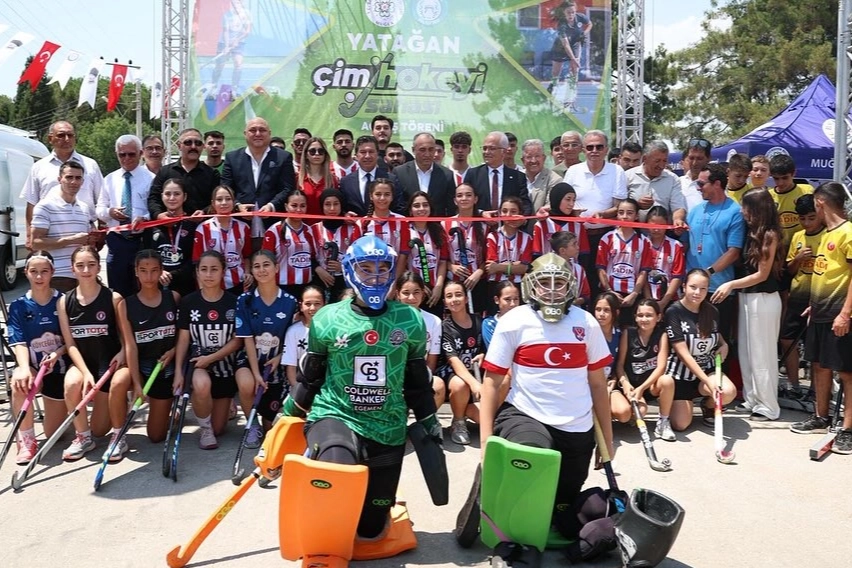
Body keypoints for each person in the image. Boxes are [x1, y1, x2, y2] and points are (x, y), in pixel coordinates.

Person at [279, 234, 439, 543]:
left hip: (388, 425)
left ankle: (377, 508)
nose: (375, 276)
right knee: (336, 471)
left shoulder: (410, 320)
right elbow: (310, 377)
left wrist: (429, 420)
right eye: (366, 268)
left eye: (382, 268)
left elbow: (417, 381)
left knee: (369, 531)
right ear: (350, 270)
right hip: (336, 414)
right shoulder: (327, 318)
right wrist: (287, 416)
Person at [479, 253, 614, 552]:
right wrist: (485, 442)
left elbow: (597, 384)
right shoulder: (514, 321)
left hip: (576, 426)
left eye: (559, 283)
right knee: (533, 456)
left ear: (571, 287)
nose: (552, 290)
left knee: (562, 509)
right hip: (525, 415)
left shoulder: (586, 323)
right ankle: (508, 526)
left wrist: (607, 440)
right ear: (531, 286)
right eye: (544, 283)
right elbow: (491, 383)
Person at [711, 188, 783, 421]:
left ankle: (768, 406)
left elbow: (762, 274)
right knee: (747, 352)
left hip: (763, 298)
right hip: (747, 297)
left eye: (746, 207)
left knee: (762, 354)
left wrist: (730, 284)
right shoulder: (751, 232)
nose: (743, 211)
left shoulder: (770, 235)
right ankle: (753, 399)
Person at [791, 182, 852, 454]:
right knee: (819, 366)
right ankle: (821, 417)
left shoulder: (848, 232)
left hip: (839, 314)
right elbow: (825, 273)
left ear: (820, 202)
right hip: (819, 312)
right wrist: (813, 305)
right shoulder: (827, 232)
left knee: (847, 373)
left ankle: (848, 430)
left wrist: (845, 314)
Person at [57, 246, 125, 460]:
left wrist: (122, 353)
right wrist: (86, 373)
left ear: (98, 267)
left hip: (108, 366)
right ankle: (83, 437)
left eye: (91, 265)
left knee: (100, 429)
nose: (86, 270)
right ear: (72, 269)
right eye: (80, 265)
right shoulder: (64, 301)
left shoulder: (113, 298)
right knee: (71, 384)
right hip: (82, 364)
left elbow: (127, 340)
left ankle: (109, 434)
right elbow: (70, 344)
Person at [174, 251, 243, 449]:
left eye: (214, 269)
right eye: (204, 269)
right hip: (199, 363)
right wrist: (178, 372)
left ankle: (222, 407)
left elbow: (237, 341)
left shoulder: (234, 302)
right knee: (201, 384)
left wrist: (212, 357)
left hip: (225, 366)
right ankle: (205, 429)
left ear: (223, 271)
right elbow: (183, 339)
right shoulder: (189, 302)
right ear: (197, 272)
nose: (209, 274)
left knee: (219, 428)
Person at [8, 251, 68, 464]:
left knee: (54, 434)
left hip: (60, 370)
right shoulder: (18, 306)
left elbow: (72, 341)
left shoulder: (63, 301)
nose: (39, 276)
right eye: (34, 271)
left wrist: (57, 353)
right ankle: (26, 441)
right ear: (26, 272)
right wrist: (24, 368)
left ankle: (65, 409)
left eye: (44, 271)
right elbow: (19, 342)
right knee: (19, 381)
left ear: (52, 272)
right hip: (35, 367)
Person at [235, 250, 298, 444]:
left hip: (277, 364)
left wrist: (279, 357)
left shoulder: (290, 302)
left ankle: (265, 423)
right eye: (256, 266)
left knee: (271, 429)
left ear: (276, 268)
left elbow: (292, 338)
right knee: (246, 383)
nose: (261, 270)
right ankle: (251, 425)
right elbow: (246, 339)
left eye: (266, 265)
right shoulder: (244, 300)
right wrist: (255, 374)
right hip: (250, 361)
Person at [117, 250, 179, 447]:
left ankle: (171, 411)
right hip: (142, 368)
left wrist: (174, 351)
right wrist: (137, 384)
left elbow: (183, 338)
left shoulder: (174, 298)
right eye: (143, 270)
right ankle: (117, 435)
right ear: (136, 272)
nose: (149, 276)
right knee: (119, 380)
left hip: (164, 369)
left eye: (154, 270)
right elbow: (131, 346)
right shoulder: (126, 305)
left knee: (156, 436)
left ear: (161, 271)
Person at [662, 269, 736, 431]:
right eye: (693, 287)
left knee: (728, 392)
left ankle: (708, 405)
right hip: (681, 375)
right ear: (684, 286)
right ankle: (682, 401)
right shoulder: (674, 312)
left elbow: (717, 335)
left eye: (703, 288)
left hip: (706, 370)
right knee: (680, 424)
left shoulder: (712, 311)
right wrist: (708, 382)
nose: (697, 292)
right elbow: (683, 354)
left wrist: (724, 345)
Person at [685, 164, 746, 347]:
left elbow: (733, 252)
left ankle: (718, 368)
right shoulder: (696, 209)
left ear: (717, 184)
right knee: (691, 339)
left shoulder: (735, 211)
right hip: (692, 288)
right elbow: (685, 243)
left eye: (702, 184)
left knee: (718, 341)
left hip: (718, 289)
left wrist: (708, 273)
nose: (698, 188)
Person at [565, 130, 627, 298]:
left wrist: (603, 215)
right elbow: (564, 201)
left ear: (606, 149)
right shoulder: (573, 171)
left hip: (605, 235)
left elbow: (620, 206)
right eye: (590, 147)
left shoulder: (617, 171)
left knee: (603, 281)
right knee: (578, 278)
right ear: (583, 150)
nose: (594, 151)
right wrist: (572, 212)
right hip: (577, 236)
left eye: (599, 147)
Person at [21, 120, 103, 245]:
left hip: (85, 233)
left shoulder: (90, 165)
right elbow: (32, 203)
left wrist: (102, 232)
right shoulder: (39, 167)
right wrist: (29, 235)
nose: (66, 139)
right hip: (49, 234)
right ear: (50, 138)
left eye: (70, 135)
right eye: (61, 135)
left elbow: (101, 200)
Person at [221, 117, 296, 247]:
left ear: (269, 133)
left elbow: (288, 188)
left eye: (262, 130)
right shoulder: (232, 158)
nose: (257, 133)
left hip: (273, 225)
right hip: (240, 225)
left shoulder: (283, 157)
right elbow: (225, 188)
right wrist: (238, 206)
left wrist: (272, 205)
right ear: (245, 134)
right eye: (253, 130)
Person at [96, 134, 155, 298]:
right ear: (117, 154)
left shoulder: (151, 179)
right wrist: (109, 212)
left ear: (141, 153)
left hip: (141, 241)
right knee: (117, 292)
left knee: (143, 289)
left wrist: (145, 218)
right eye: (122, 154)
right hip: (117, 241)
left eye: (131, 154)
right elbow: (99, 209)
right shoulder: (109, 179)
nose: (126, 158)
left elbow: (156, 209)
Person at [612, 299, 675, 441]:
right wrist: (625, 383)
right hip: (631, 385)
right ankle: (626, 413)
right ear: (635, 317)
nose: (644, 319)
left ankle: (663, 421)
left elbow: (661, 367)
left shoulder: (662, 335)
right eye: (640, 315)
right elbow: (620, 364)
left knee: (667, 380)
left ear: (658, 317)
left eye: (649, 315)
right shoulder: (628, 333)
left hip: (649, 386)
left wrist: (642, 388)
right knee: (638, 412)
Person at [779, 195, 823, 395]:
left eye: (811, 218)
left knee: (815, 345)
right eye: (802, 218)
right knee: (787, 339)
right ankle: (794, 384)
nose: (807, 223)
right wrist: (797, 259)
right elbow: (789, 270)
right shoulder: (798, 237)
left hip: (819, 297)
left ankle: (816, 388)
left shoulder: (828, 235)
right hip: (797, 295)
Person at [31, 161, 98, 292]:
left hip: (82, 275)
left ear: (82, 181)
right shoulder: (45, 206)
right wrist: (71, 240)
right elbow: (35, 243)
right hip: (57, 276)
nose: (73, 182)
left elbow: (85, 243)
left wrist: (92, 240)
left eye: (78, 178)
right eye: (69, 177)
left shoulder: (84, 208)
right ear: (59, 179)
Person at [439, 280, 485, 445]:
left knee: (487, 421)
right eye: (449, 296)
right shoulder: (444, 327)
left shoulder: (479, 321)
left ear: (466, 298)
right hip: (452, 376)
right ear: (445, 302)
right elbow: (454, 361)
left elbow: (488, 348)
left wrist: (483, 354)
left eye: (458, 295)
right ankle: (458, 422)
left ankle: (468, 410)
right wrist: (474, 384)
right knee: (460, 384)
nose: (454, 299)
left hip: (476, 375)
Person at [596, 198, 653, 324]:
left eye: (629, 213)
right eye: (621, 212)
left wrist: (634, 294)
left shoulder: (644, 241)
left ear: (636, 216)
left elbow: (643, 271)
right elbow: (601, 268)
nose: (625, 216)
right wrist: (609, 291)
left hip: (631, 295)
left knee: (628, 330)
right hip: (610, 293)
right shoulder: (607, 238)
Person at [396, 271, 446, 411]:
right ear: (397, 294)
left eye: (416, 292)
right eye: (406, 293)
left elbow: (431, 361)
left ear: (423, 294)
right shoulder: (389, 320)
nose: (411, 298)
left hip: (419, 374)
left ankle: (424, 422)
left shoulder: (434, 321)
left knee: (438, 385)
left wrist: (420, 381)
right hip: (393, 376)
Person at [193, 185, 253, 296]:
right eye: (219, 199)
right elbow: (197, 262)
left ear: (234, 202)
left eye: (228, 199)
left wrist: (247, 272)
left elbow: (246, 255)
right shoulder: (202, 229)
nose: (224, 203)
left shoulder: (243, 227)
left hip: (237, 284)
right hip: (211, 285)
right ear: (213, 203)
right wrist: (202, 291)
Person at [148, 128, 220, 219]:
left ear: (203, 146)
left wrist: (204, 212)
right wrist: (159, 215)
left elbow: (217, 200)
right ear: (179, 146)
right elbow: (154, 199)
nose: (193, 147)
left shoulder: (212, 174)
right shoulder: (165, 172)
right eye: (188, 142)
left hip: (202, 225)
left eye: (198, 143)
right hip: (170, 224)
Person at [145, 178, 197, 297]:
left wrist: (172, 274)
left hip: (185, 286)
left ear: (184, 197)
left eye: (177, 194)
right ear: (162, 196)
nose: (172, 198)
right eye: (168, 194)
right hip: (156, 284)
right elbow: (146, 253)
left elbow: (194, 259)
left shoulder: (192, 224)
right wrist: (158, 271)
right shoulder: (152, 225)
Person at [398, 191, 448, 311]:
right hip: (412, 291)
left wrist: (439, 287)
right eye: (416, 206)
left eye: (425, 205)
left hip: (434, 292)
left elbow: (443, 262)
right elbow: (401, 262)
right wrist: (419, 285)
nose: (421, 209)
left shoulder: (439, 230)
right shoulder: (405, 229)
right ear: (410, 210)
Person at [262, 190, 317, 298]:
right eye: (294, 206)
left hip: (306, 288)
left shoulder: (309, 231)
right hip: (282, 287)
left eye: (302, 206)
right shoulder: (274, 231)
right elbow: (266, 261)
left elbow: (313, 257)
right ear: (286, 207)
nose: (298, 210)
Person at [310, 188, 362, 302]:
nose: (332, 208)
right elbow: (308, 256)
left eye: (336, 204)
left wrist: (343, 267)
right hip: (321, 279)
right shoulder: (314, 229)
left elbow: (358, 257)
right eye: (327, 204)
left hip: (345, 281)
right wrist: (318, 269)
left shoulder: (352, 229)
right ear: (322, 206)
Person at [444, 183, 488, 313]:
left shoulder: (484, 225)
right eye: (460, 195)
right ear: (455, 200)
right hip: (454, 282)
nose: (464, 198)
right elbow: (440, 256)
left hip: (477, 281)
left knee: (477, 318)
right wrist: (451, 267)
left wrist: (479, 272)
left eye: (468, 195)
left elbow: (489, 257)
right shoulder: (445, 224)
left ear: (475, 199)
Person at [464, 132, 532, 214]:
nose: (486, 152)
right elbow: (465, 203)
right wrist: (481, 213)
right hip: (480, 221)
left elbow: (525, 205)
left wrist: (520, 219)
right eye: (484, 148)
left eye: (492, 148)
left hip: (508, 221)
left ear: (504, 151)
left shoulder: (518, 177)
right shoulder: (473, 174)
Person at [389, 132, 455, 216]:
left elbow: (451, 207)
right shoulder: (400, 172)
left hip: (436, 223)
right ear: (413, 150)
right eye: (422, 150)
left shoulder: (447, 175)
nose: (427, 154)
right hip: (407, 223)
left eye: (431, 149)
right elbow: (396, 205)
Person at [485, 196, 532, 312]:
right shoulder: (492, 236)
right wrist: (514, 266)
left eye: (513, 211)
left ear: (520, 214)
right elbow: (491, 268)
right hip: (496, 286)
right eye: (504, 211)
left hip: (518, 286)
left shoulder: (527, 238)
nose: (508, 215)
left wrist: (500, 266)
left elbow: (525, 268)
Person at [626, 140, 687, 225]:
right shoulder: (628, 176)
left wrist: (678, 219)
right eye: (657, 161)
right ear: (645, 159)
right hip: (633, 230)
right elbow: (620, 206)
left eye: (664, 161)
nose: (661, 165)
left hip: (661, 231)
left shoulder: (673, 179)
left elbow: (678, 206)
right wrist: (636, 205)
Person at [548, 1, 591, 112]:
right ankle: (551, 92)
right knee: (556, 73)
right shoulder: (561, 25)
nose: (571, 15)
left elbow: (590, 24)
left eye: (573, 12)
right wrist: (573, 59)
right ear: (563, 12)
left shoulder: (580, 17)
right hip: (560, 48)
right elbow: (565, 44)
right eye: (568, 12)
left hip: (575, 44)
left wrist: (584, 33)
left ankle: (570, 98)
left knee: (574, 71)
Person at [339, 135, 398, 216]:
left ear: (377, 154)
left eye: (371, 152)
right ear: (356, 155)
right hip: (356, 223)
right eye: (363, 152)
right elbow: (342, 208)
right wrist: (345, 215)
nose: (367, 156)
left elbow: (398, 207)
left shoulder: (391, 179)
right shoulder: (346, 182)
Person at [282, 285, 325, 391]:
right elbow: (291, 367)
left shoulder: (332, 331)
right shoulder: (293, 331)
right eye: (308, 304)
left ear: (325, 305)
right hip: (301, 386)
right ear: (301, 306)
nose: (312, 308)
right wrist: (298, 393)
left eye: (317, 304)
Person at [532, 182, 589, 259]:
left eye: (573, 200)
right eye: (568, 199)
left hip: (572, 266)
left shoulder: (578, 224)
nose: (571, 204)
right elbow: (536, 254)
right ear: (557, 199)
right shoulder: (541, 225)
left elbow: (584, 254)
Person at [644, 206, 685, 312]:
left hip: (670, 300)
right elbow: (641, 273)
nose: (656, 229)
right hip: (646, 299)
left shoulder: (676, 246)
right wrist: (648, 299)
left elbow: (677, 276)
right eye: (653, 225)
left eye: (661, 225)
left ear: (667, 224)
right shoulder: (642, 243)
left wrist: (663, 302)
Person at [360, 178, 410, 254]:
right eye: (378, 194)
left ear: (392, 197)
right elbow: (356, 251)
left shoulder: (402, 221)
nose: (382, 198)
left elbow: (404, 251)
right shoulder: (361, 223)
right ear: (371, 196)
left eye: (387, 194)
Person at [211, 0, 251, 92]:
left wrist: (237, 40)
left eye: (237, 3)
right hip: (224, 42)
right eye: (233, 3)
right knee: (219, 66)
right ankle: (213, 85)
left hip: (239, 42)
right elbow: (225, 32)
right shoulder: (226, 15)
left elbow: (247, 31)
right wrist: (226, 46)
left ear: (241, 4)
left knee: (238, 64)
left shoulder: (246, 15)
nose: (235, 5)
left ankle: (234, 87)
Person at [522, 139, 564, 214]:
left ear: (544, 158)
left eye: (537, 156)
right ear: (522, 160)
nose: (533, 160)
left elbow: (550, 206)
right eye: (529, 157)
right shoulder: (516, 177)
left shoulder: (555, 180)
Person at [551, 231, 590, 307]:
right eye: (574, 244)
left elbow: (586, 296)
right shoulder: (547, 269)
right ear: (562, 250)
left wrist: (572, 302)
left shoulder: (579, 269)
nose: (578, 247)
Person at [297, 136, 335, 215]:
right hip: (302, 222)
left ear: (325, 155)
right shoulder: (297, 178)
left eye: (321, 151)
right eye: (312, 151)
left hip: (325, 222)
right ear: (306, 155)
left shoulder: (333, 179)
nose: (317, 154)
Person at [482, 281, 520, 349]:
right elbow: (496, 350)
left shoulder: (526, 321)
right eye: (507, 299)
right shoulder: (490, 324)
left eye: (516, 299)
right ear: (497, 300)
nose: (513, 304)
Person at [678, 138, 712, 211]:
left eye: (700, 158)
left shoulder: (715, 184)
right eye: (691, 158)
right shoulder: (677, 183)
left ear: (709, 159)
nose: (694, 163)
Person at [594, 292, 621, 381]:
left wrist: (614, 379)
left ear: (616, 312)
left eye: (606, 310)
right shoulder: (589, 334)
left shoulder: (619, 334)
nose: (601, 314)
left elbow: (619, 364)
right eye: (598, 309)